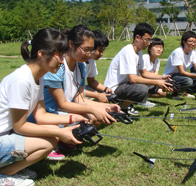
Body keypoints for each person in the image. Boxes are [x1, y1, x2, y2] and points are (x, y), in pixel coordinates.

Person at [0, 28, 87, 186]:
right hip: (2, 138)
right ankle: (4, 174)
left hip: (7, 136)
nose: (62, 61)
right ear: (41, 53)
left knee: (50, 136)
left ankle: (12, 168)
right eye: (59, 56)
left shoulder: (37, 79)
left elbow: (41, 115)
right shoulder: (21, 80)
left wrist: (72, 118)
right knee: (48, 142)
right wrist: (59, 132)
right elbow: (20, 127)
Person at [27, 25, 120, 159]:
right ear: (71, 44)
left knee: (92, 118)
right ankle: (53, 140)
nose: (89, 54)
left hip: (59, 112)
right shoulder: (56, 66)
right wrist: (94, 110)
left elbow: (79, 99)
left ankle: (62, 140)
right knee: (90, 116)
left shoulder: (81, 66)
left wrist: (106, 107)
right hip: (49, 113)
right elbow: (62, 104)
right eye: (86, 49)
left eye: (91, 50)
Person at [104, 23, 172, 115]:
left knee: (150, 86)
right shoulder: (128, 51)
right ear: (137, 37)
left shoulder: (139, 53)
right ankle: (118, 108)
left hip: (125, 85)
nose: (148, 44)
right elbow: (133, 79)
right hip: (113, 89)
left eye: (150, 40)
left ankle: (124, 106)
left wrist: (161, 78)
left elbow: (144, 73)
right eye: (147, 40)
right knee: (142, 89)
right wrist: (156, 82)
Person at [163, 31, 196, 100]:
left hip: (181, 76)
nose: (193, 44)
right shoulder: (178, 52)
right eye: (191, 41)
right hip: (170, 77)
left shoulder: (192, 52)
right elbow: (182, 72)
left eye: (195, 42)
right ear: (184, 42)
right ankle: (173, 93)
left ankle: (184, 91)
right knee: (188, 81)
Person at [84, 30, 113, 103]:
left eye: (103, 50)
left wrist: (106, 89)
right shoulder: (78, 61)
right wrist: (97, 95)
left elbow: (91, 81)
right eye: (100, 50)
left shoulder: (91, 60)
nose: (102, 54)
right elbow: (73, 90)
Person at [138, 38, 167, 106]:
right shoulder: (144, 58)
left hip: (149, 83)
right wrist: (160, 78)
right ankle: (140, 99)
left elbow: (156, 76)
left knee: (163, 92)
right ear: (150, 48)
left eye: (161, 47)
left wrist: (164, 81)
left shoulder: (157, 61)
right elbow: (141, 75)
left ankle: (144, 96)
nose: (159, 49)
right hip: (141, 83)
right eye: (156, 47)